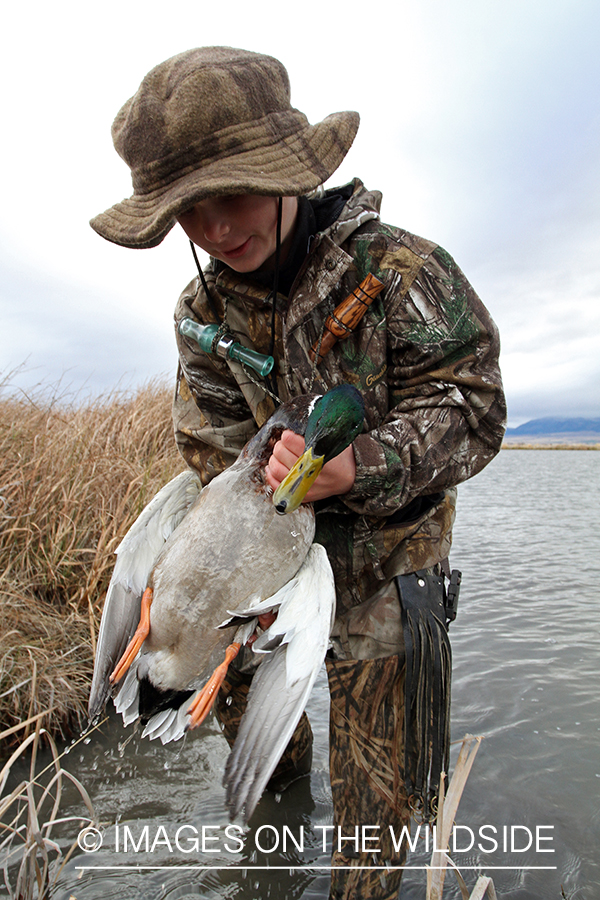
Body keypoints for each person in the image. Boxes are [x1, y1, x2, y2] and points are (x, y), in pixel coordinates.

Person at [91, 46, 506, 900]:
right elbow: (208, 439)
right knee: (264, 780)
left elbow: (476, 408)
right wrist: (254, 522)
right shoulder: (200, 312)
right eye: (187, 213)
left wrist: (361, 466)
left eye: (231, 196)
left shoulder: (404, 274)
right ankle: (269, 874)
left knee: (378, 821)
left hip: (390, 579)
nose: (212, 231)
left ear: (287, 172)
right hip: (255, 581)